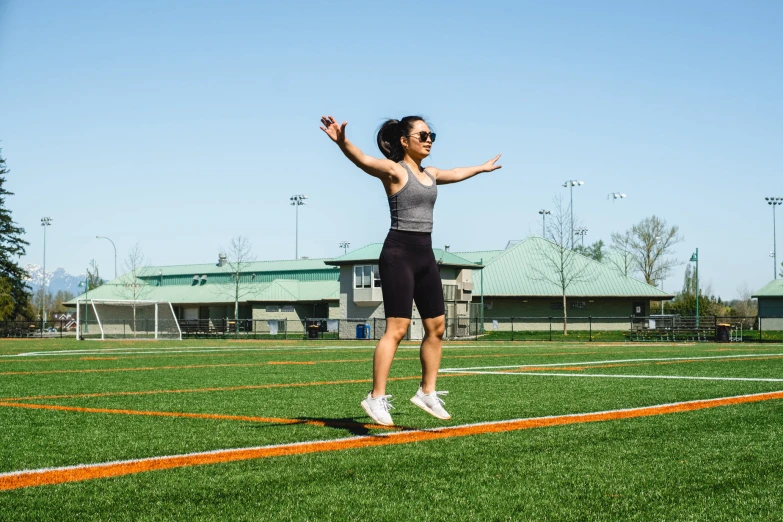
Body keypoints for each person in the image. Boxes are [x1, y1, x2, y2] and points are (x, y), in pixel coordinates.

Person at [320, 115, 501, 426]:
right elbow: (363, 160)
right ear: (404, 141)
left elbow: (455, 173)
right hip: (398, 254)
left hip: (425, 255)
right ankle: (376, 397)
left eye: (432, 134)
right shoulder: (394, 171)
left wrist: (480, 169)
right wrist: (342, 142)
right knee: (398, 328)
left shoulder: (429, 173)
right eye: (423, 135)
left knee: (438, 327)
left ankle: (426, 392)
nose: (429, 139)